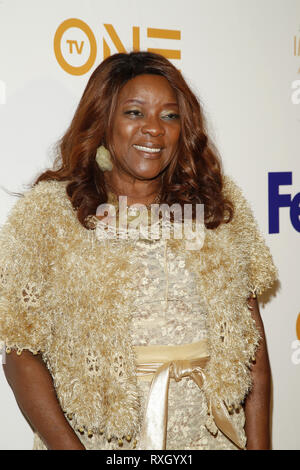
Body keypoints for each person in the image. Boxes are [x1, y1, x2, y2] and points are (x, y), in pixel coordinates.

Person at [0, 51, 277, 450]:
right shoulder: (50, 215)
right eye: (134, 113)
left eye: (169, 116)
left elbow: (254, 349)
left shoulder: (217, 206)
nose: (153, 130)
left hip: (213, 439)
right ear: (104, 121)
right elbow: (20, 354)